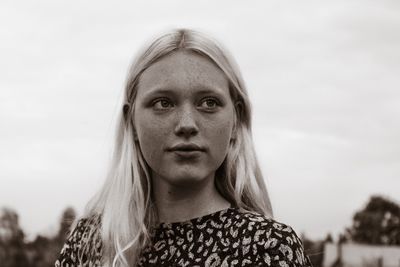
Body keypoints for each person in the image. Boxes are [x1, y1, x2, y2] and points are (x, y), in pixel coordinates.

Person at [55, 28, 313, 267]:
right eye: (163, 103)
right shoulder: (90, 245)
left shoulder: (267, 248)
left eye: (209, 102)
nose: (187, 124)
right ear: (131, 122)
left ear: (235, 120)